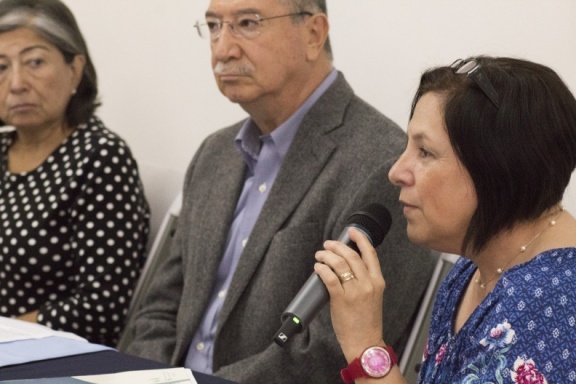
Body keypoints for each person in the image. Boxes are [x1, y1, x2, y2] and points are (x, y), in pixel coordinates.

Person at [125, 0, 434, 382]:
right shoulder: (214, 154)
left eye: (247, 23)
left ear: (314, 34)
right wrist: (144, 376)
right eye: (214, 26)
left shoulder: (383, 165)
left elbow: (330, 351)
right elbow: (158, 307)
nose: (223, 49)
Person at [315, 56, 576, 383]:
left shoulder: (552, 309)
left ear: (495, 168)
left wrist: (365, 342)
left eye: (424, 152)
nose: (396, 172)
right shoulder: (471, 270)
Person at [0, 0, 150, 347]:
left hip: (47, 357)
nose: (17, 83)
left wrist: (9, 332)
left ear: (75, 69)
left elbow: (102, 308)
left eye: (35, 62)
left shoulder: (100, 158)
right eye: (1, 67)